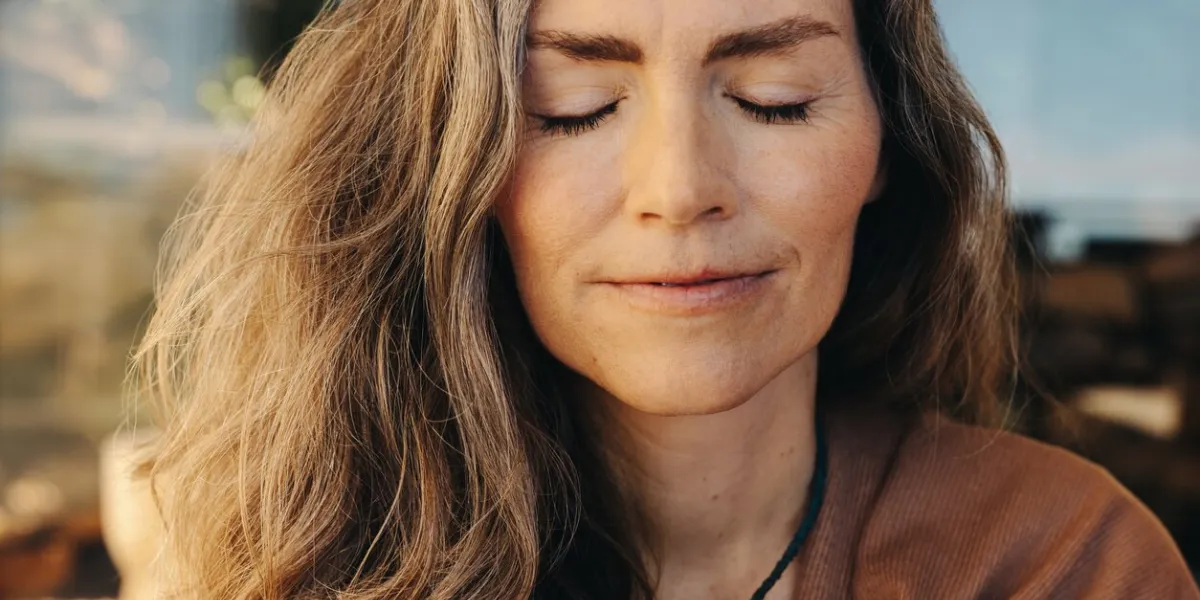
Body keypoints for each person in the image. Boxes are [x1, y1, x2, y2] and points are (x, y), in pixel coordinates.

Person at [133, 0, 1200, 598]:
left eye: (774, 104)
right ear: (455, 165)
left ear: (886, 141)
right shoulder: (289, 565)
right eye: (574, 108)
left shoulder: (1053, 564)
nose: (681, 190)